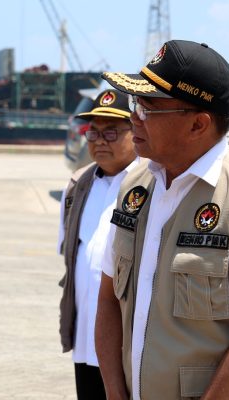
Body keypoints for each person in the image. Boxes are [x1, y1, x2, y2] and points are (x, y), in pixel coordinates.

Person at [95, 40, 229, 400]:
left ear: (198, 124)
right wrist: (114, 392)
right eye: (134, 105)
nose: (133, 119)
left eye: (147, 109)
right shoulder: (135, 186)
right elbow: (108, 300)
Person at [57, 88, 139, 400]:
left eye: (111, 132)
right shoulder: (78, 185)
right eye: (93, 132)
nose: (100, 141)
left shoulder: (151, 184)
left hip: (130, 340)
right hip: (85, 336)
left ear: (136, 131)